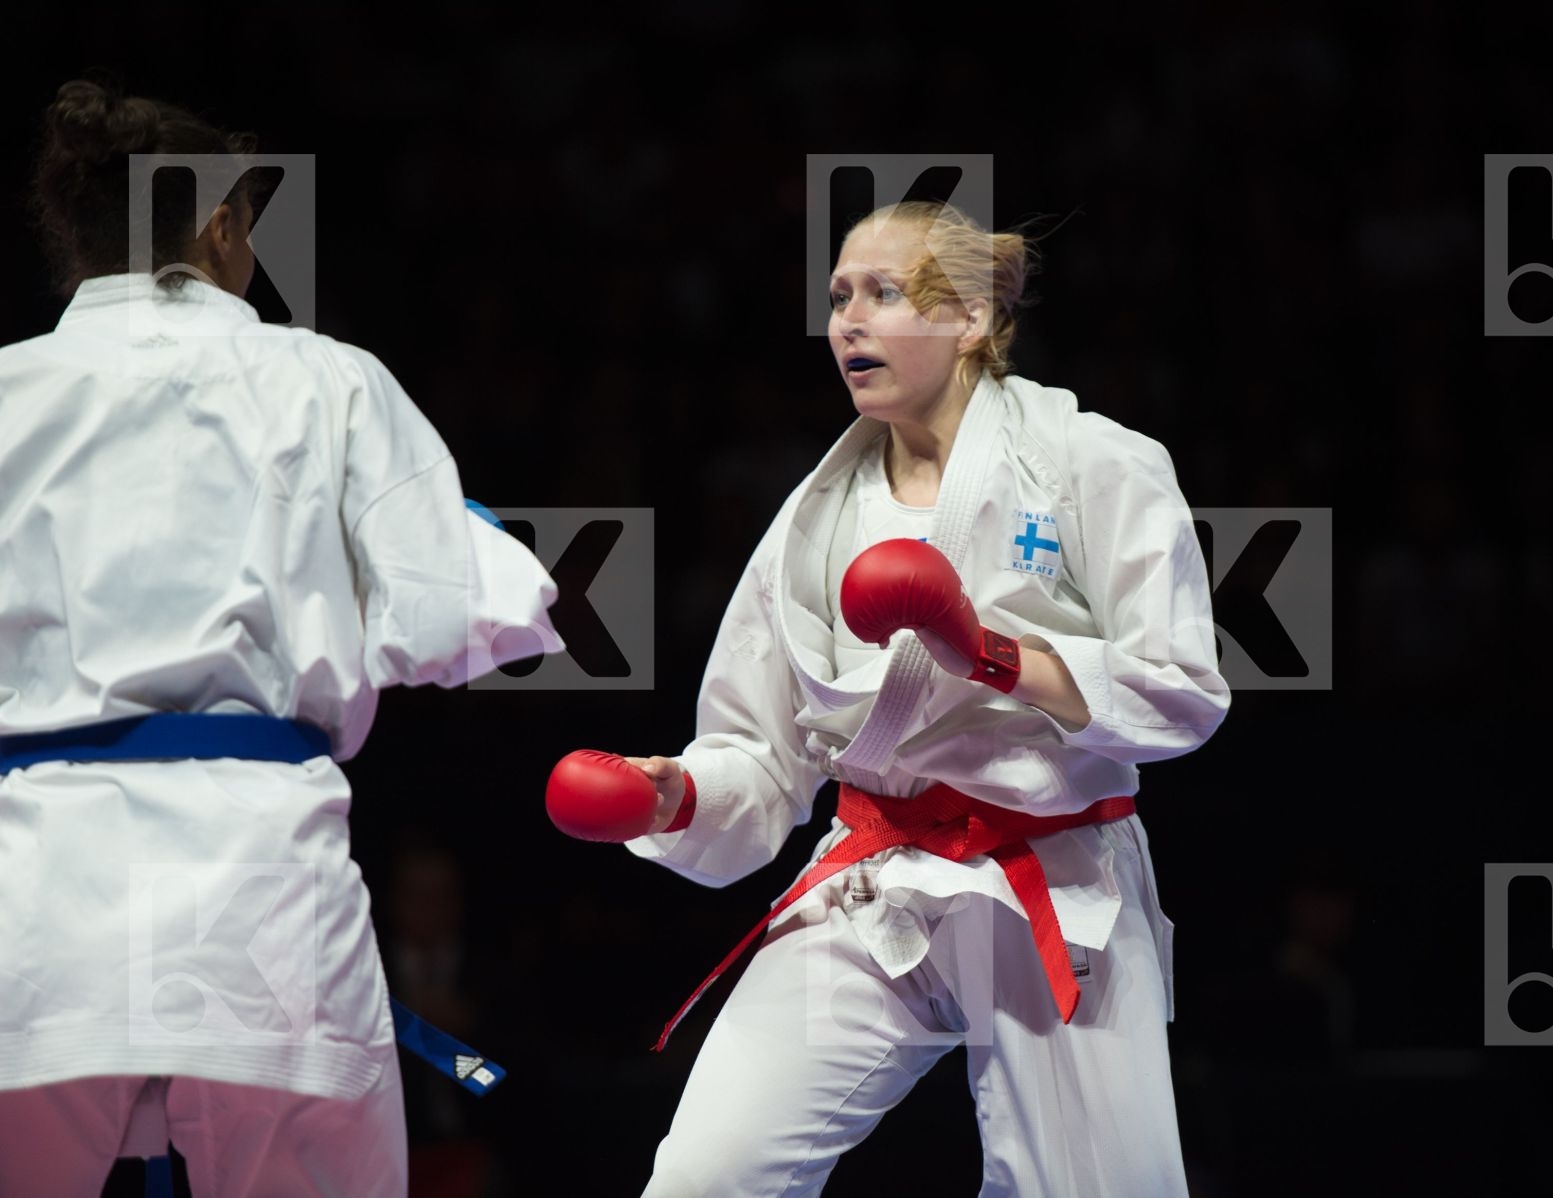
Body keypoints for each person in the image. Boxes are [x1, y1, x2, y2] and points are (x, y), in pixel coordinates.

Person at [546, 199, 1229, 1195]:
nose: (847, 322)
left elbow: (1183, 695)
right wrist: (671, 795)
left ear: (970, 319)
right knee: (706, 1175)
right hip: (876, 879)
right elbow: (763, 751)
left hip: (1051, 872)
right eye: (836, 299)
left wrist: (989, 650)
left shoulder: (1095, 461)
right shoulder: (815, 517)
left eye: (882, 292)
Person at [0, 78, 562, 1197]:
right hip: (260, 903)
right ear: (221, 225)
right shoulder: (325, 380)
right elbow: (457, 620)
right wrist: (467, 540)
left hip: (30, 900)